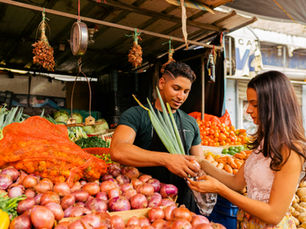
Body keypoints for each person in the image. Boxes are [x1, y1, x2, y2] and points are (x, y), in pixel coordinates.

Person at [188, 71, 306, 228]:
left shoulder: (290, 151)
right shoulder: (266, 142)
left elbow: (274, 215)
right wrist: (201, 162)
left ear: (275, 106)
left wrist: (219, 189)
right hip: (248, 223)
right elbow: (236, 182)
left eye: (255, 104)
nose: (248, 110)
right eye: (249, 103)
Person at [110, 61, 202, 211]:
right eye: (176, 88)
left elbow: (199, 162)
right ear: (161, 83)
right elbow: (118, 150)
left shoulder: (190, 122)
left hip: (183, 205)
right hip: (144, 203)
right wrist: (167, 159)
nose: (181, 96)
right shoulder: (137, 115)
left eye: (186, 91)